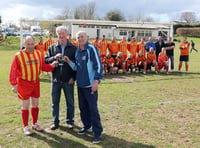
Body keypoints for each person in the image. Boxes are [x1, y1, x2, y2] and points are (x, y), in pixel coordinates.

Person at [9, 36, 58, 135]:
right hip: (24, 83)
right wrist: (14, 84)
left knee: (35, 104)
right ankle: (26, 126)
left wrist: (51, 66)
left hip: (35, 82)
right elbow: (13, 70)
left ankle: (35, 123)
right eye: (28, 44)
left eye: (32, 44)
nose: (30, 46)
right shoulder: (18, 56)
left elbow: (43, 66)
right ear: (24, 44)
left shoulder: (38, 54)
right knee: (26, 105)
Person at [65, 31, 103, 144]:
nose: (80, 39)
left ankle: (97, 133)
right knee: (83, 108)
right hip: (80, 85)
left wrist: (96, 81)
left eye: (82, 36)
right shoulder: (78, 50)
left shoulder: (91, 49)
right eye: (78, 37)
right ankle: (87, 126)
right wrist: (69, 62)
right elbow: (77, 67)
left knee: (93, 109)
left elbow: (99, 66)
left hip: (90, 86)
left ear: (87, 37)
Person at [44, 26, 77, 130]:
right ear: (57, 35)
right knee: (55, 103)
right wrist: (54, 58)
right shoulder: (52, 47)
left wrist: (73, 78)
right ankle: (55, 122)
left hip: (69, 80)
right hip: (56, 80)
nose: (61, 36)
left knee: (70, 102)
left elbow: (77, 66)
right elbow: (45, 60)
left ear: (67, 34)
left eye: (63, 33)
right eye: (59, 34)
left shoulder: (73, 48)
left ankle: (70, 121)